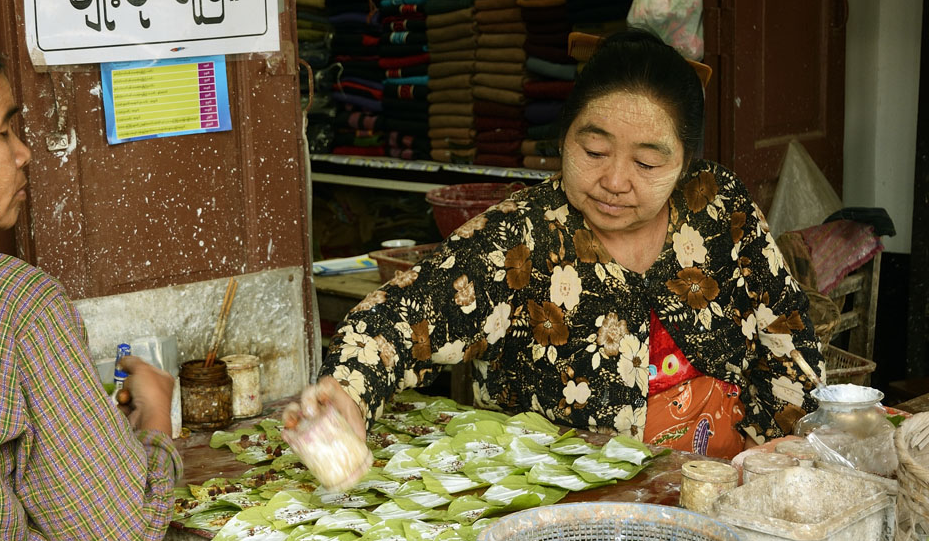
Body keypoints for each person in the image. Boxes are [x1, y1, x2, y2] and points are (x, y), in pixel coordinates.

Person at [0, 23, 302, 541]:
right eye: (4, 131)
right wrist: (154, 420)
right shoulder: (12, 302)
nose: (23, 153)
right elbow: (116, 532)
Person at [288, 29, 824, 459]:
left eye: (647, 162)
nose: (615, 180)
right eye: (593, 150)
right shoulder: (522, 236)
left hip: (724, 489)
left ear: (686, 165)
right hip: (565, 524)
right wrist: (347, 394)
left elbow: (788, 338)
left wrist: (771, 457)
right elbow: (398, 321)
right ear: (563, 138)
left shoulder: (719, 207)